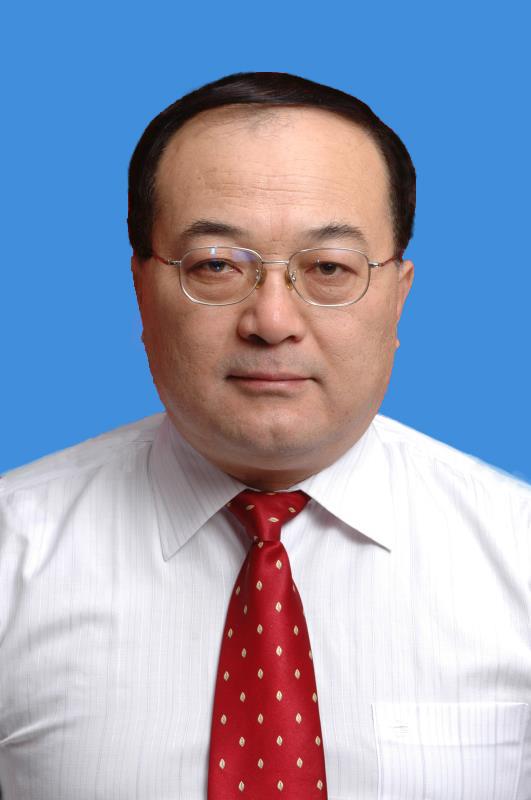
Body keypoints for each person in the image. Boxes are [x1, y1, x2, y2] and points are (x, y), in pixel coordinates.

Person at [0, 72, 529, 800]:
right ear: (141, 288)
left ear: (398, 295)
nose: (272, 321)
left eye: (329, 268)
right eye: (217, 265)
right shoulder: (13, 554)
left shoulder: (517, 555)